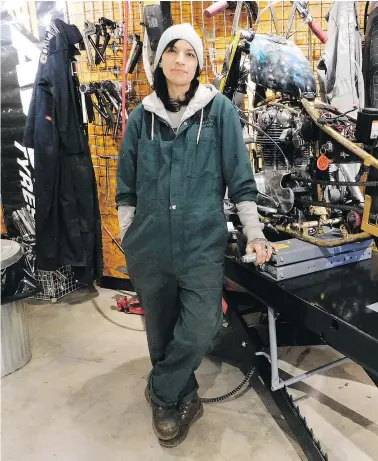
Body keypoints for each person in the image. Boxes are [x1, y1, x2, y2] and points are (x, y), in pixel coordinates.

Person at [115, 23, 274, 448]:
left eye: (189, 53)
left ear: (198, 63)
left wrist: (254, 232)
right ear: (160, 59)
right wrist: (129, 237)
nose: (180, 60)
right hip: (149, 244)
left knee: (202, 323)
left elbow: (240, 180)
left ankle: (162, 389)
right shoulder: (139, 120)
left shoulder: (219, 110)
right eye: (173, 51)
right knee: (161, 329)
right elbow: (125, 188)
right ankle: (181, 399)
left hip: (201, 242)